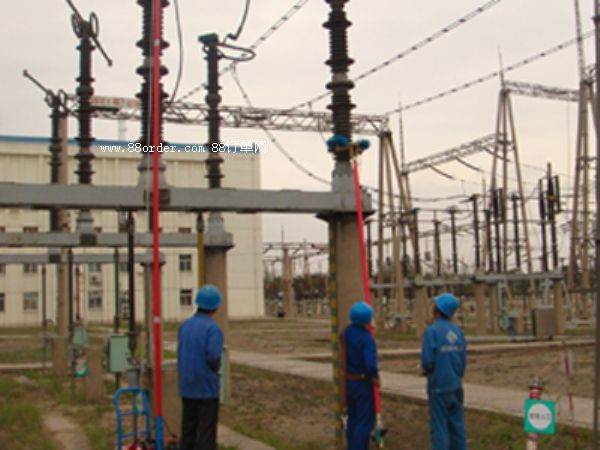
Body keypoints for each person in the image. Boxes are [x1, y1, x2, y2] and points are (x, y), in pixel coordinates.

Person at [177, 284, 224, 450]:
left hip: (187, 386)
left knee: (188, 430)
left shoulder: (185, 325)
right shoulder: (213, 329)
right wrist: (216, 369)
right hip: (206, 387)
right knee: (206, 433)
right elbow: (213, 357)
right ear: (216, 306)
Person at [421, 293, 467, 450]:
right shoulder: (458, 332)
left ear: (438, 309)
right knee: (457, 427)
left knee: (439, 427)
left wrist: (427, 371)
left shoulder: (431, 332)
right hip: (455, 386)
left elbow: (427, 361)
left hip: (438, 386)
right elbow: (462, 361)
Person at [340, 301, 379, 450]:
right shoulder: (366, 338)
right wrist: (375, 376)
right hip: (363, 383)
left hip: (349, 382)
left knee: (353, 419)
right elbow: (370, 365)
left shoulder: (346, 333)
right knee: (364, 422)